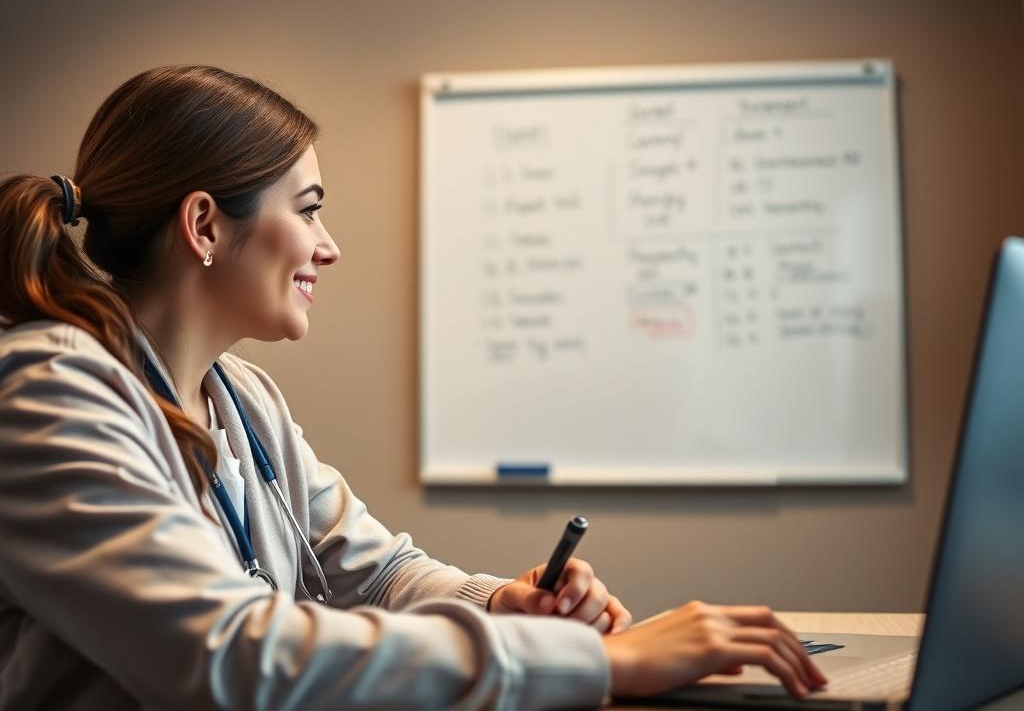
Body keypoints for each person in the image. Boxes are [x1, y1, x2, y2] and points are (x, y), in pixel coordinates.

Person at [0, 65, 826, 709]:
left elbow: (376, 572)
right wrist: (596, 660)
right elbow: (231, 656)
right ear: (206, 225)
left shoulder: (240, 398)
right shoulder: (51, 394)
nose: (328, 248)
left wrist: (503, 603)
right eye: (310, 209)